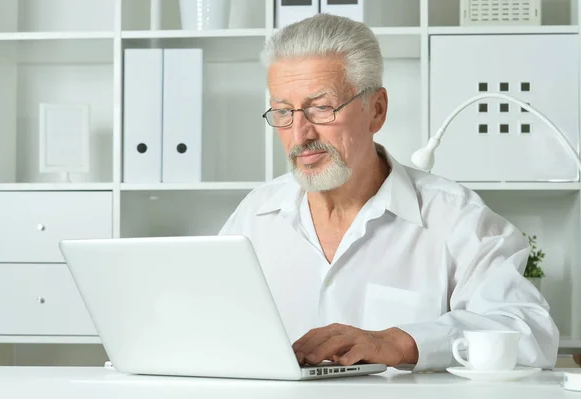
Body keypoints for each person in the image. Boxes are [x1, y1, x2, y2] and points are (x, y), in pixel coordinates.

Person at [218, 13, 559, 372]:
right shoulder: (254, 215)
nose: (300, 134)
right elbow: (199, 319)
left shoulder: (455, 217)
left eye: (321, 108)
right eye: (284, 112)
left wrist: (399, 342)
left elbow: (531, 334)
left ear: (376, 110)